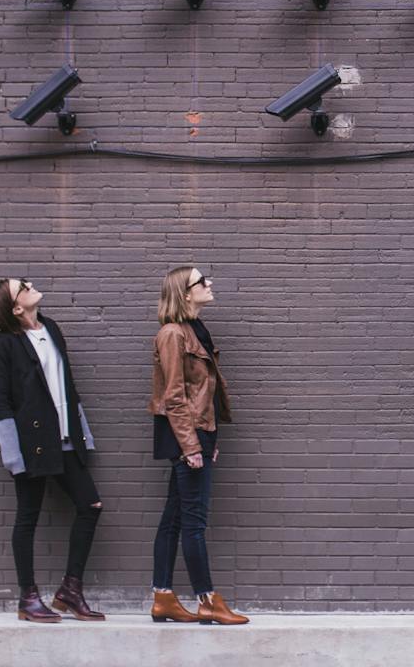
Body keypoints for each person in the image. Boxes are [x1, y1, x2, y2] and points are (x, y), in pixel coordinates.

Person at [0, 277, 105, 623]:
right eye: (23, 286)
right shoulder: (4, 346)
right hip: (32, 446)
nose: (30, 284)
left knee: (90, 505)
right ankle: (28, 597)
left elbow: (67, 384)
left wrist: (83, 433)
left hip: (66, 440)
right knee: (28, 517)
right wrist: (12, 456)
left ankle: (70, 590)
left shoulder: (51, 328)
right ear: (16, 307)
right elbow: (1, 403)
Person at [148, 264, 248, 626]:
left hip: (197, 433)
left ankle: (162, 597)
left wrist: (210, 437)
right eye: (201, 281)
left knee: (174, 519)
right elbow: (174, 396)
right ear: (185, 293)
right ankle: (207, 599)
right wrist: (192, 445)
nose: (210, 282)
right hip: (186, 436)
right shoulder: (173, 334)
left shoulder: (194, 329)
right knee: (194, 522)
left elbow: (203, 393)